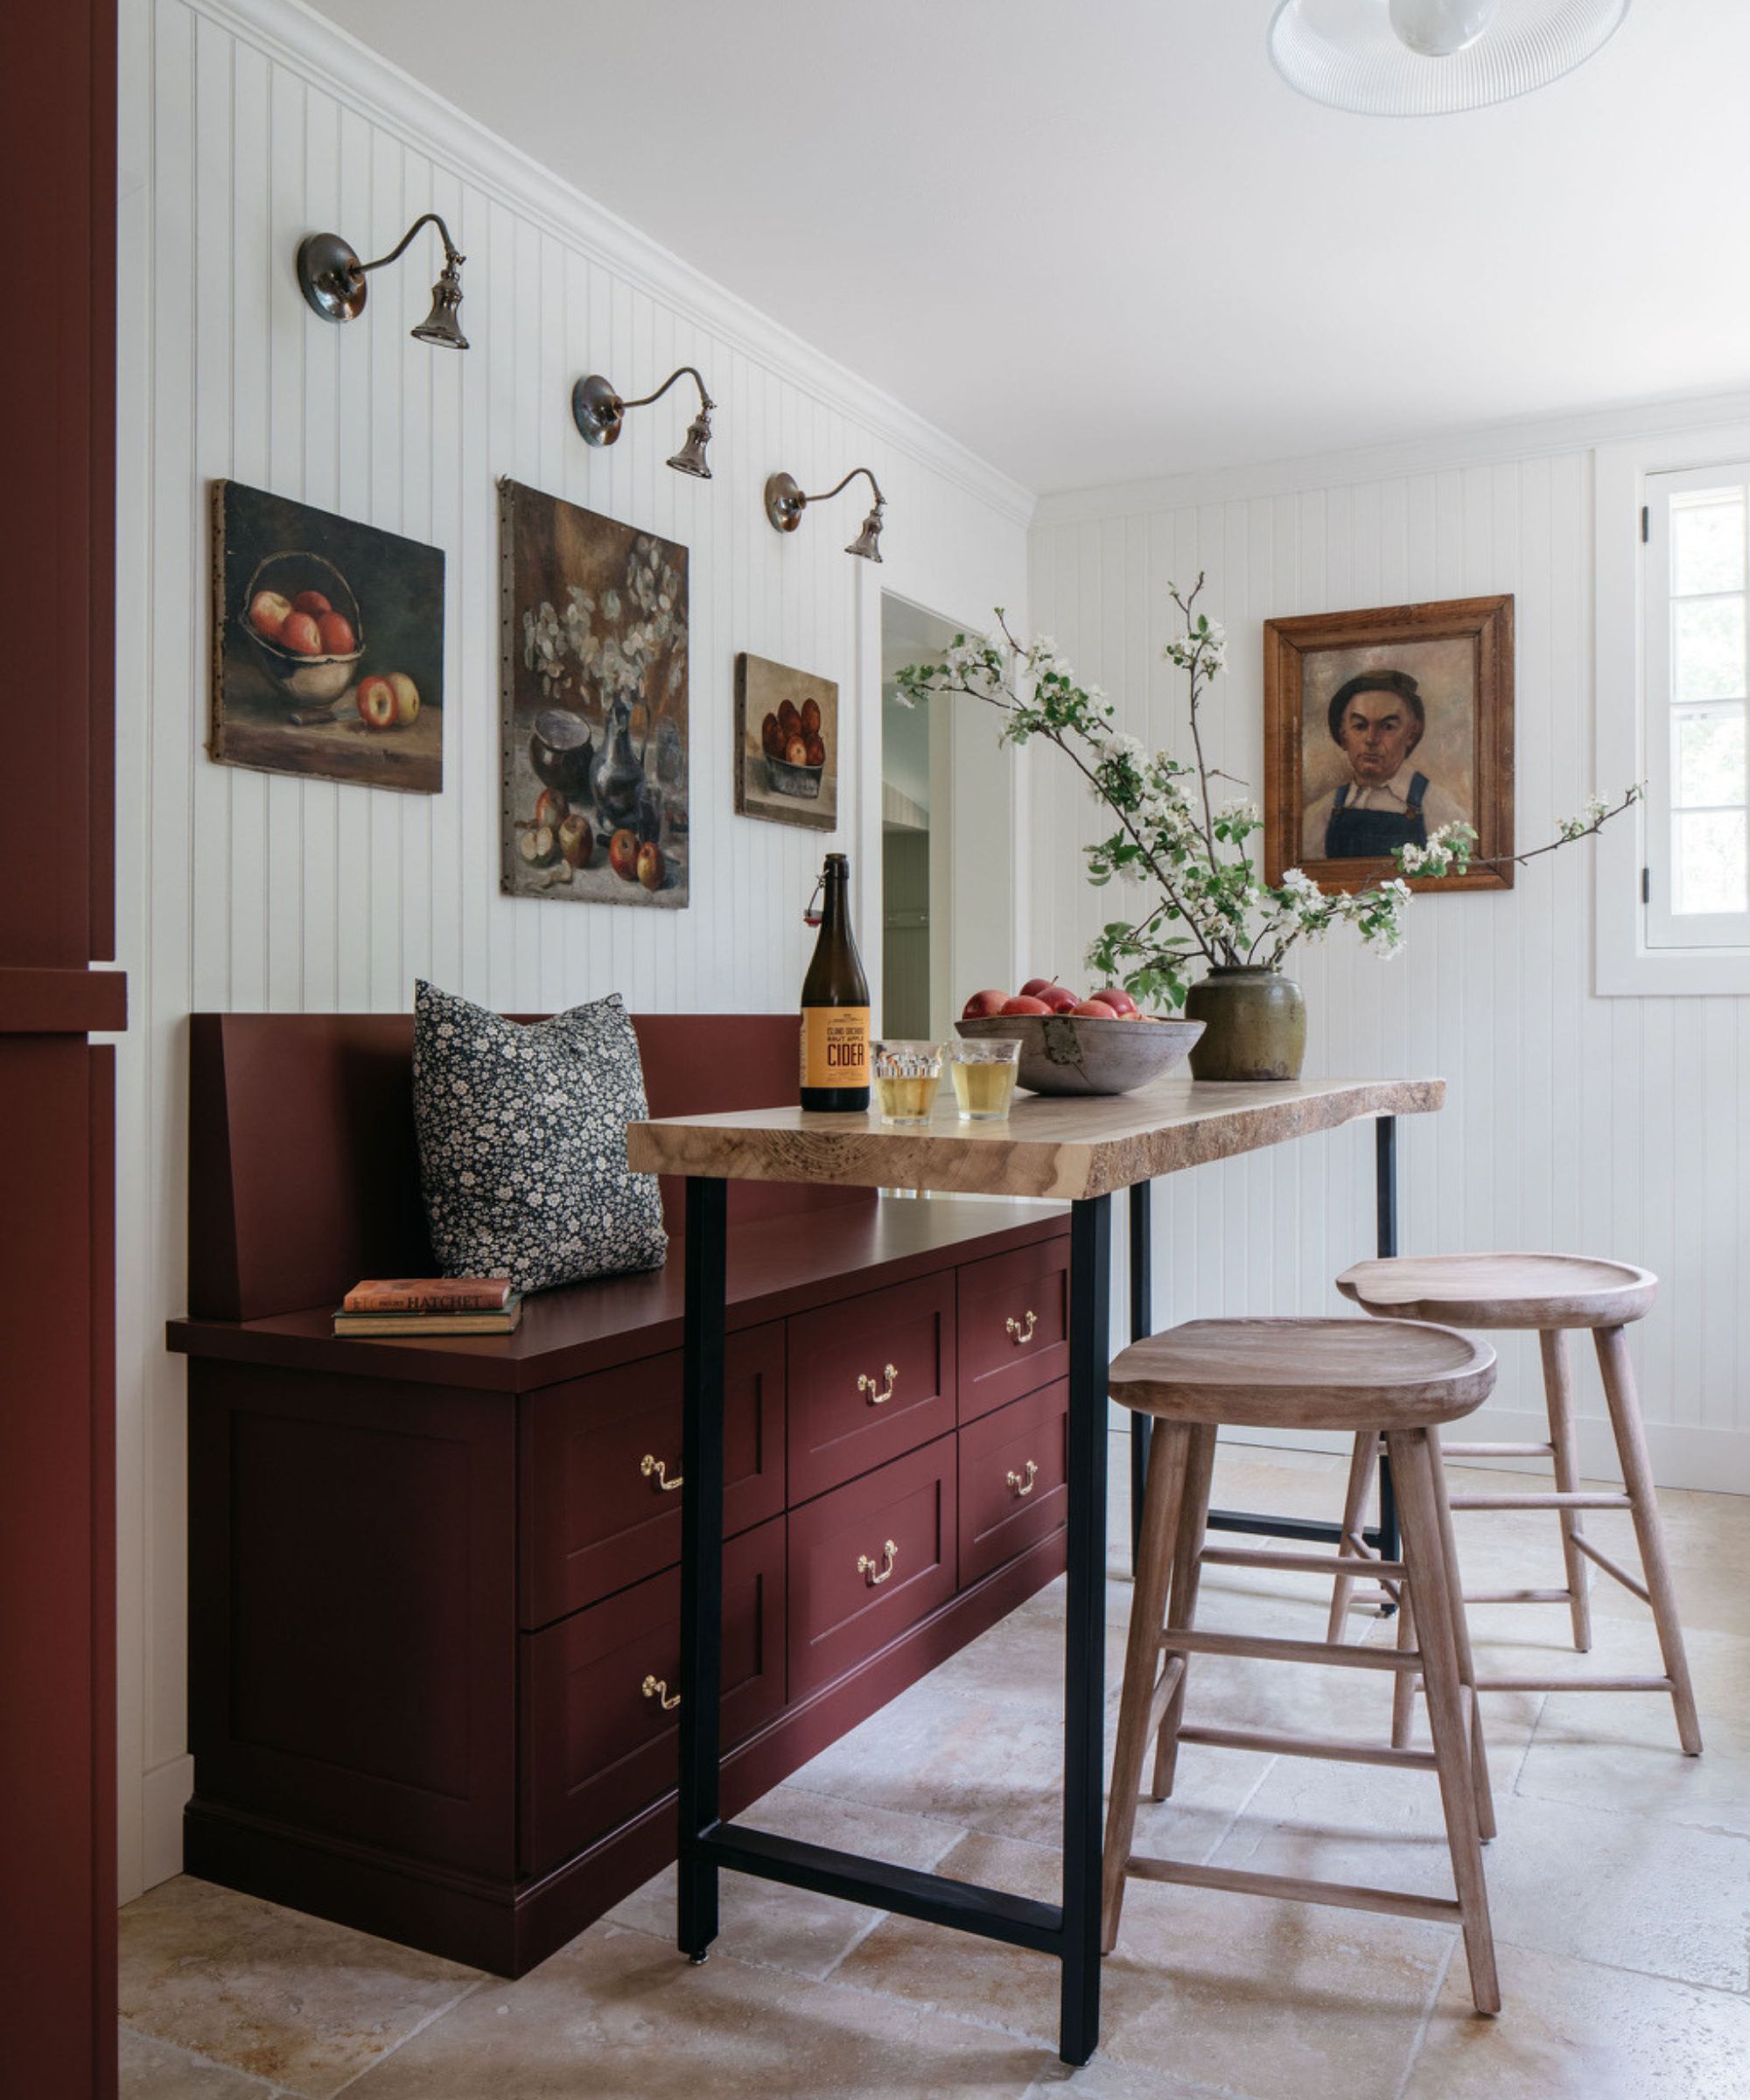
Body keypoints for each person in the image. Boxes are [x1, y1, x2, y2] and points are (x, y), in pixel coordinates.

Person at [1300, 668, 1469, 861]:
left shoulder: (1441, 811)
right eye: (1360, 726)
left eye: (1387, 727)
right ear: (1343, 734)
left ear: (1411, 733)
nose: (1371, 739)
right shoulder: (1320, 814)